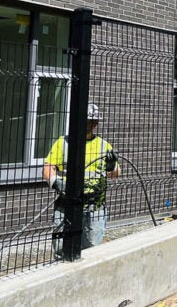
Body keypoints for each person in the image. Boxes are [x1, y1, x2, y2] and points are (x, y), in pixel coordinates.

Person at [43, 103, 120, 254]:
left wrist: (111, 166)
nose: (89, 125)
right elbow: (48, 167)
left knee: (92, 248)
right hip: (67, 204)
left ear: (96, 123)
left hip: (95, 205)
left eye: (92, 121)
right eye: (86, 121)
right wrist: (56, 182)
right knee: (61, 247)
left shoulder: (104, 146)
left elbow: (115, 173)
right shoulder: (63, 143)